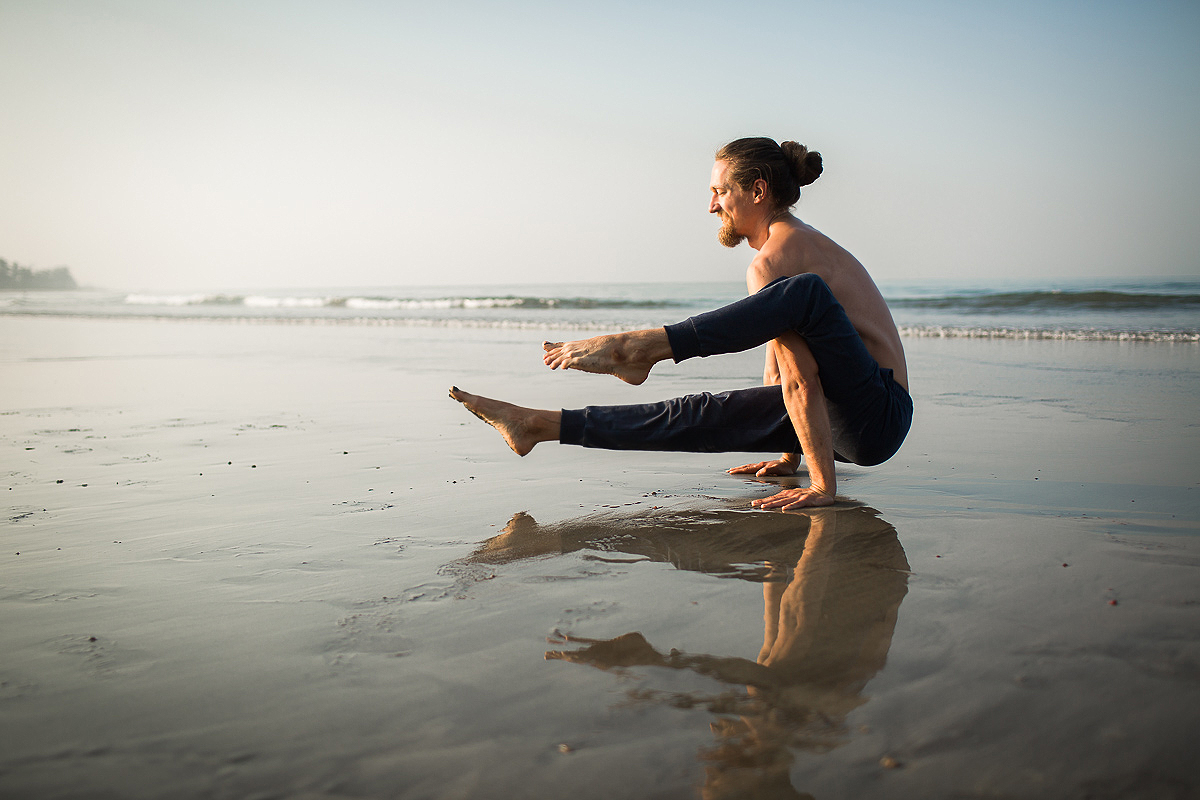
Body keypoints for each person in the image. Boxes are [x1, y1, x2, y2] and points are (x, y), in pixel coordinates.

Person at [450, 137, 912, 510]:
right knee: (701, 411)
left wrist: (820, 486)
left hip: (877, 414)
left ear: (757, 190)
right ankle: (540, 425)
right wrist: (790, 457)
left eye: (720, 191)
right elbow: (782, 369)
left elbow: (799, 380)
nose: (712, 206)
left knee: (805, 294)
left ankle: (640, 348)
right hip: (847, 423)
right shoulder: (781, 255)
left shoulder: (780, 258)